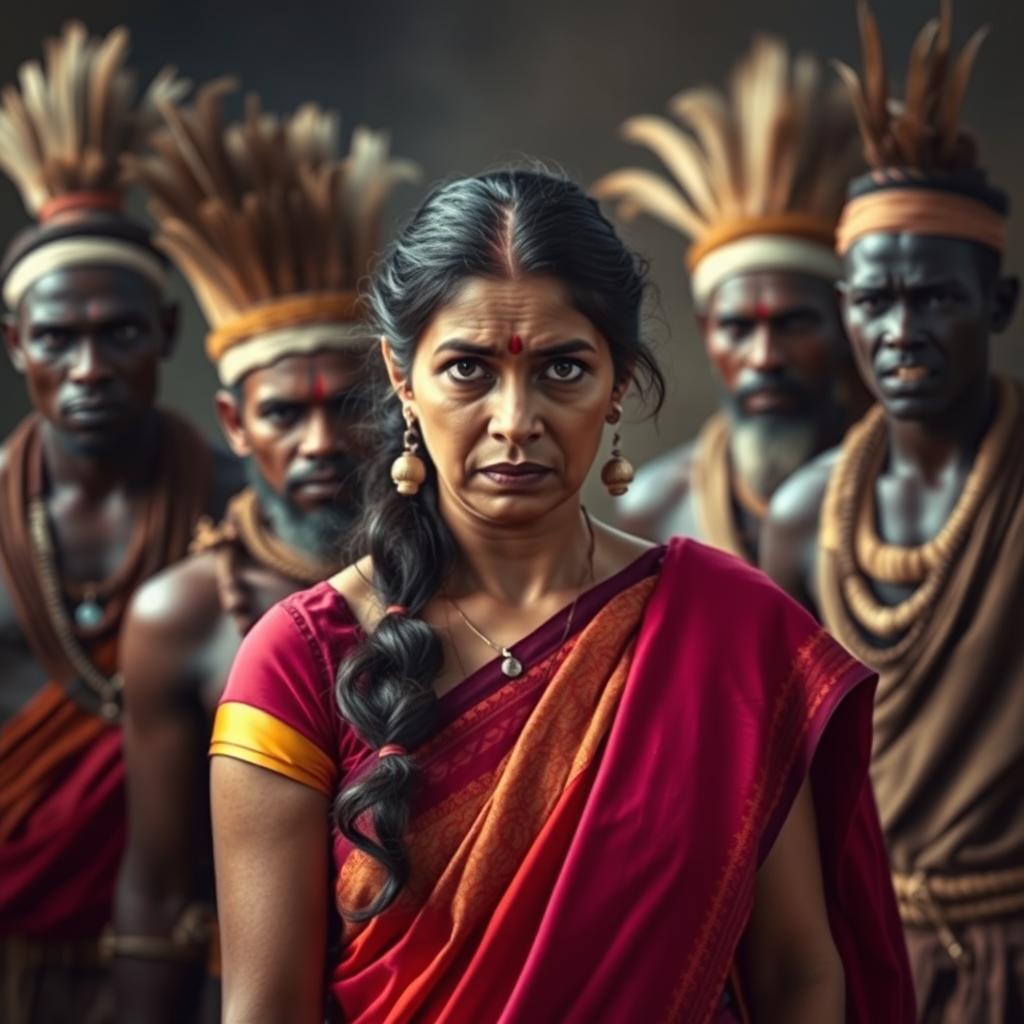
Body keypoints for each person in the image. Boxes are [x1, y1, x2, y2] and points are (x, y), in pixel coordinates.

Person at [208, 168, 913, 1023]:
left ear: (617, 381)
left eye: (563, 369)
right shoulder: (302, 659)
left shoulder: (731, 632)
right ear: (402, 377)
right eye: (467, 369)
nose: (515, 419)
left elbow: (800, 976)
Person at [110, 83, 418, 1022]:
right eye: (287, 413)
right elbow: (159, 890)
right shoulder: (183, 617)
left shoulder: (457, 581)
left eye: (348, 406)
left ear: (398, 404)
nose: (321, 442)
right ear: (237, 425)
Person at [760, 4, 1024, 1019]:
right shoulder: (799, 519)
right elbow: (776, 780)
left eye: (935, 300)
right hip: (854, 949)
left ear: (997, 306)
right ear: (845, 313)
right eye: (874, 304)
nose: (900, 331)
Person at [0, 23, 242, 1024]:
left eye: (120, 335)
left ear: (168, 337)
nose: (90, 368)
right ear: (16, 344)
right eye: (59, 338)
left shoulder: (237, 509)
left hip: (193, 945)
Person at [593, 36, 866, 559]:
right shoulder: (658, 508)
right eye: (739, 328)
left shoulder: (893, 492)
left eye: (795, 323)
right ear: (705, 330)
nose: (765, 357)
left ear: (844, 322)